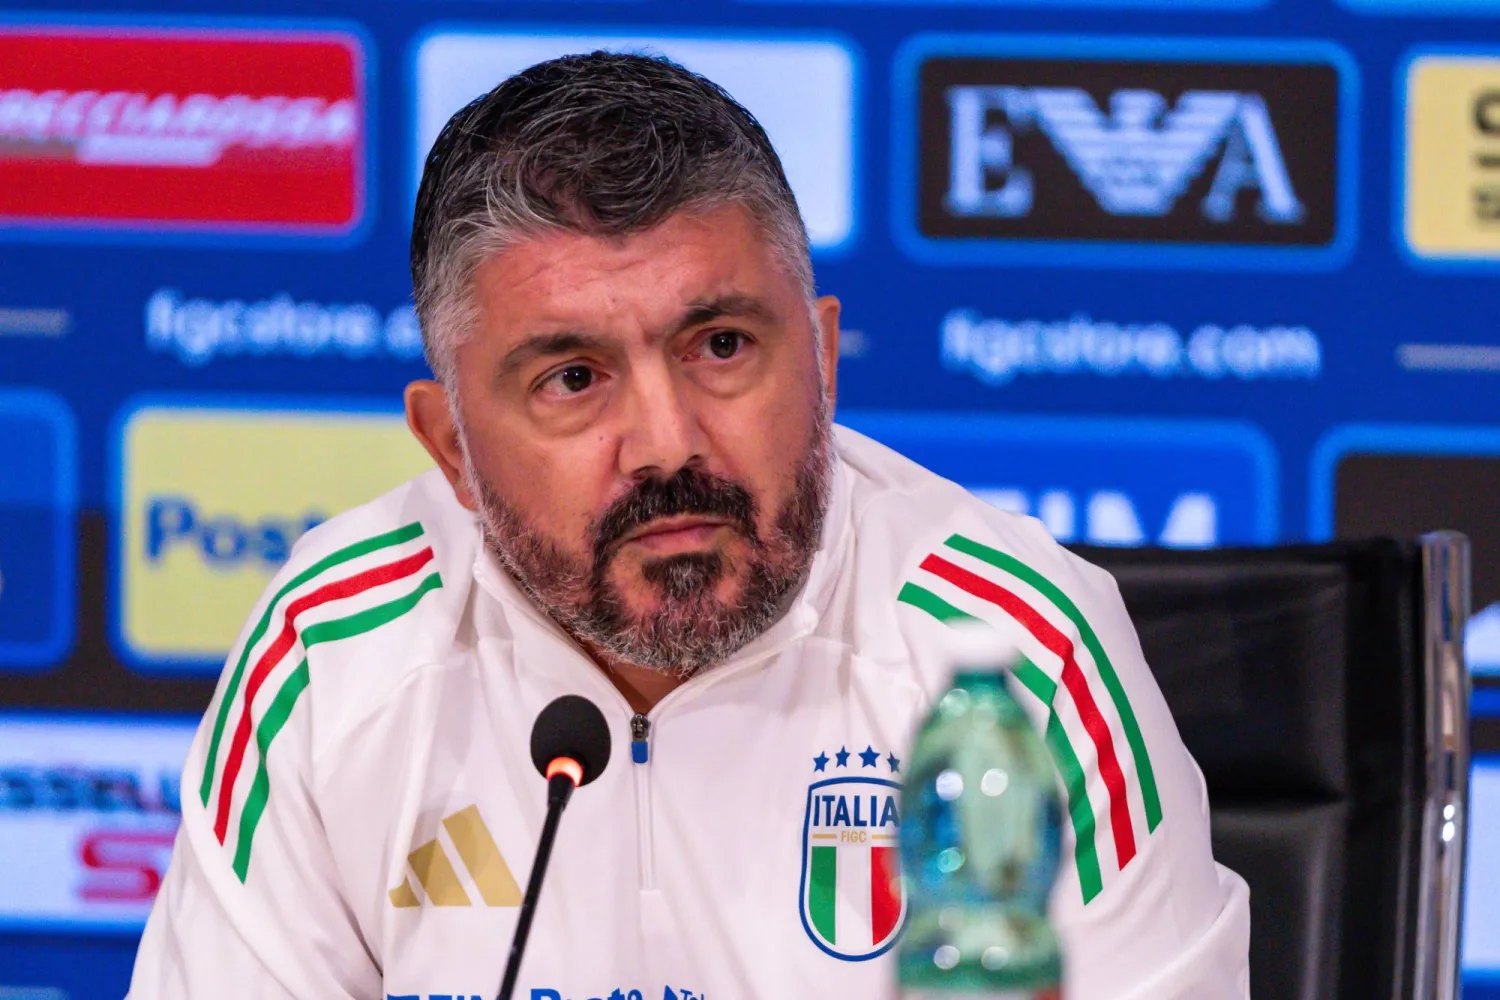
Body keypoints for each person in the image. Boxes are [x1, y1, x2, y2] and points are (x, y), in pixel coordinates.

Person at [129, 52, 1249, 1000]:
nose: (667, 443)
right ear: (452, 449)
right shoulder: (333, 659)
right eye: (573, 377)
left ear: (821, 357)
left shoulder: (1013, 658)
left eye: (721, 345)